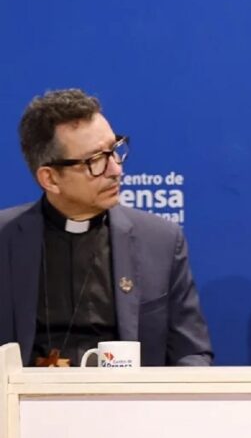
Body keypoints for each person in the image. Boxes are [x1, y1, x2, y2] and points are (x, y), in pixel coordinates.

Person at [0, 89, 213, 366]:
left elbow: (191, 353)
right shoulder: (5, 240)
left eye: (114, 150)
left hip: (131, 406)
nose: (115, 170)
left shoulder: (160, 241)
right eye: (95, 161)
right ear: (50, 179)